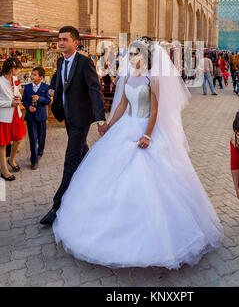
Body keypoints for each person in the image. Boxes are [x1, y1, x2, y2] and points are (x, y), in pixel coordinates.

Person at [52, 39, 224, 269]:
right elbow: (122, 104)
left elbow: (155, 111)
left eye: (135, 53)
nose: (131, 57)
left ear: (144, 55)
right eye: (130, 54)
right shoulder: (127, 77)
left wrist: (148, 135)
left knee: (150, 179)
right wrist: (109, 125)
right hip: (126, 127)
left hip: (145, 129)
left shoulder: (152, 78)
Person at [40, 26, 107, 225]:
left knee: (70, 161)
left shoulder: (85, 62)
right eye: (59, 39)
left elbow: (95, 90)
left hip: (81, 119)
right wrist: (53, 89)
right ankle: (99, 189)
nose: (60, 43)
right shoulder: (61, 61)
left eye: (65, 40)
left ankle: (57, 207)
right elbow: (57, 79)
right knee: (84, 156)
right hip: (66, 117)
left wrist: (100, 119)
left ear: (75, 42)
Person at [0, 57, 26, 181]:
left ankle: (11, 159)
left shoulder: (15, 79)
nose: (19, 72)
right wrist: (10, 103)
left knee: (19, 138)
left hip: (17, 114)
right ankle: (4, 170)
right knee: (3, 143)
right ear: (12, 69)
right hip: (4, 116)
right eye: (19, 69)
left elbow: (18, 93)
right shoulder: (0, 81)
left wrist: (18, 98)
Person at [22, 67, 51, 170]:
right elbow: (23, 100)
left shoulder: (46, 87)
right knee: (33, 139)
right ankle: (34, 160)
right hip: (30, 117)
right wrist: (28, 106)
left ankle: (40, 151)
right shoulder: (27, 87)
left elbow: (48, 101)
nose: (32, 76)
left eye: (34, 74)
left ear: (40, 77)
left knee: (41, 139)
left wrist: (40, 98)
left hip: (42, 117)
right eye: (32, 74)